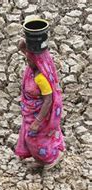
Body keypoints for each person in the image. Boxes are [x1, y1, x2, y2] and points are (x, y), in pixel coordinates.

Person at [15, 39, 65, 169]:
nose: (28, 62)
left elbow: (48, 100)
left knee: (34, 139)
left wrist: (37, 122)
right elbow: (27, 51)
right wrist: (24, 45)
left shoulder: (41, 78)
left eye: (29, 60)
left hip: (40, 114)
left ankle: (51, 158)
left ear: (37, 61)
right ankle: (40, 159)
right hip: (31, 112)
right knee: (31, 136)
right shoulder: (33, 68)